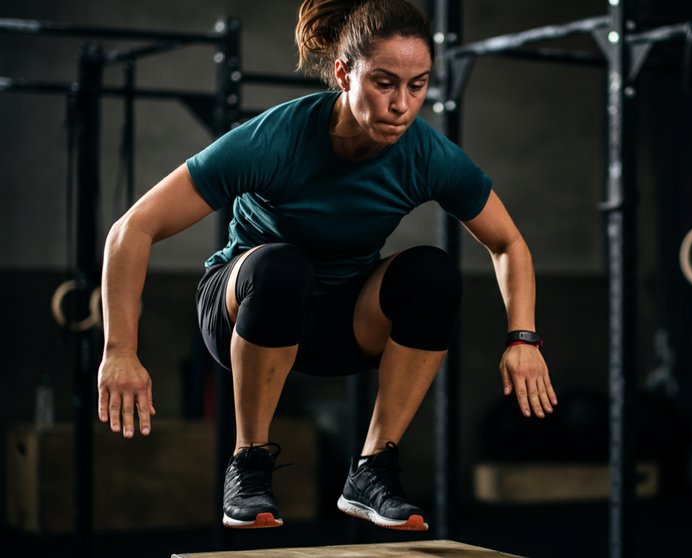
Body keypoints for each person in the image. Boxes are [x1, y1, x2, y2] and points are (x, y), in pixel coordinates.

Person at [97, 0, 557, 532]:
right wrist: (121, 351)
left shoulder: (426, 154)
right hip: (241, 312)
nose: (402, 105)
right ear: (343, 73)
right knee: (284, 267)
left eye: (417, 85)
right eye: (385, 83)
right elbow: (131, 229)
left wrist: (523, 338)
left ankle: (373, 469)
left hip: (339, 327)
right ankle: (247, 463)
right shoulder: (276, 139)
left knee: (434, 273)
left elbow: (509, 244)